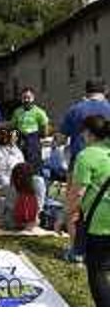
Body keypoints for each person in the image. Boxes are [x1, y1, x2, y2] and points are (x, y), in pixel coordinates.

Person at [60, 79, 110, 262]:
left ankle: (77, 250)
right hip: (107, 164)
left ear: (86, 91)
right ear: (105, 91)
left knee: (76, 209)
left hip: (81, 163)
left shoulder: (76, 109)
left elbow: (61, 136)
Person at [68, 116, 110, 305]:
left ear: (88, 133)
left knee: (97, 272)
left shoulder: (86, 155)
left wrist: (68, 216)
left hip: (99, 223)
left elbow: (77, 194)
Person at [10, 87, 49, 170]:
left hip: (33, 140)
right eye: (24, 98)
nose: (26, 100)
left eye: (29, 97)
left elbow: (45, 128)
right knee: (20, 164)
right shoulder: (17, 112)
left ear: (33, 98)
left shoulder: (39, 112)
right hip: (20, 139)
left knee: (34, 165)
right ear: (21, 99)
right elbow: (13, 127)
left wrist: (39, 138)